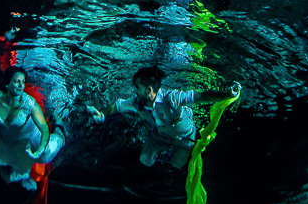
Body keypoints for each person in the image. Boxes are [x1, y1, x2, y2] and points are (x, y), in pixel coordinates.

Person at [87, 66, 241, 169]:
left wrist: (227, 94)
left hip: (184, 137)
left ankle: (174, 155)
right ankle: (162, 153)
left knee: (177, 164)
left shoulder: (172, 98)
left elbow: (201, 96)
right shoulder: (136, 102)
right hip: (160, 136)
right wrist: (102, 114)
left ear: (149, 90)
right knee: (145, 160)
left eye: (137, 88)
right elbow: (116, 106)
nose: (135, 91)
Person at [0, 66, 66, 191]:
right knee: (5, 172)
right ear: (7, 83)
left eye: (23, 82)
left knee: (46, 154)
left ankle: (60, 127)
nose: (20, 85)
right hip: (9, 141)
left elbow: (44, 130)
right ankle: (25, 175)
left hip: (34, 138)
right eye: (17, 81)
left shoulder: (29, 104)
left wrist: (38, 151)